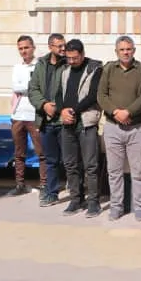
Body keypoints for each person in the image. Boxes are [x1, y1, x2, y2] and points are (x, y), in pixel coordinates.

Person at [98, 35, 141, 221]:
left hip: (136, 128)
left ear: (134, 50)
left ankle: (139, 206)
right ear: (116, 52)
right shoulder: (108, 69)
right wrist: (115, 112)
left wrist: (128, 112)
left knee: (138, 172)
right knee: (114, 172)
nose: (125, 52)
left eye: (128, 49)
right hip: (113, 128)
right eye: (122, 49)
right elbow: (101, 96)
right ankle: (116, 206)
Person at [54, 39, 102, 217]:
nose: (72, 61)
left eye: (75, 58)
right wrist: (62, 110)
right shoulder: (65, 70)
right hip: (67, 123)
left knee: (91, 165)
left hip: (86, 122)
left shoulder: (94, 69)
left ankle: (93, 202)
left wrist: (73, 110)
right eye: (69, 58)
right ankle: (76, 199)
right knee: (70, 164)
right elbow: (59, 94)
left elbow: (92, 96)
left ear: (82, 54)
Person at [27, 33, 66, 207]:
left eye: (64, 45)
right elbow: (33, 89)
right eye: (59, 46)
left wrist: (56, 107)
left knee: (70, 160)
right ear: (51, 47)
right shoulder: (41, 65)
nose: (63, 49)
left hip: (63, 120)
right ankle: (51, 193)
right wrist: (43, 105)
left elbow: (69, 90)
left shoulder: (68, 64)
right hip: (45, 121)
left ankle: (78, 193)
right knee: (50, 160)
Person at [9, 35, 45, 196]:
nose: (24, 51)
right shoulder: (17, 67)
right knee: (19, 152)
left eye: (26, 47)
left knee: (41, 151)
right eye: (21, 48)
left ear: (33, 47)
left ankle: (44, 184)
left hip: (34, 114)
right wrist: (28, 87)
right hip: (18, 114)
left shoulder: (40, 66)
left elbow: (37, 87)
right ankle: (20, 184)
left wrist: (27, 88)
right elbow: (16, 86)